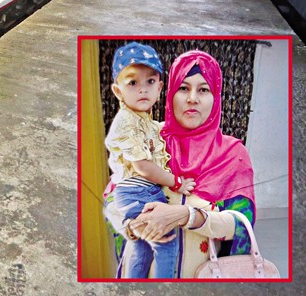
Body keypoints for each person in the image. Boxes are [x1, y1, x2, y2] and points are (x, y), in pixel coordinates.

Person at [106, 50, 256, 278]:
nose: (192, 98)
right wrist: (131, 226)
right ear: (169, 93)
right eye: (183, 88)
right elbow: (112, 198)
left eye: (203, 89)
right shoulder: (149, 139)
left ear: (216, 96)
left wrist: (187, 215)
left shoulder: (232, 153)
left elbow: (241, 225)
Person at [104, 43, 194, 278]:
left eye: (150, 82)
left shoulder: (143, 120)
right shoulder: (125, 122)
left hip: (136, 192)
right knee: (166, 243)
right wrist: (176, 182)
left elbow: (159, 129)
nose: (142, 89)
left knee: (142, 248)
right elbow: (143, 166)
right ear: (117, 91)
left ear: (160, 87)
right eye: (132, 83)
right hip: (138, 192)